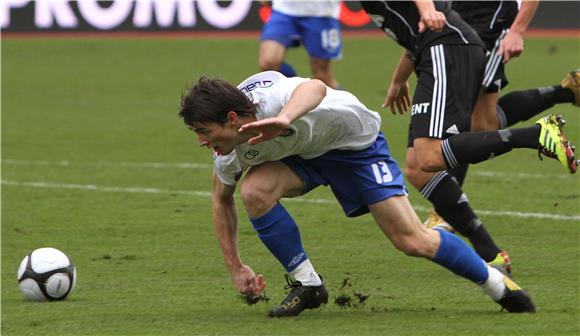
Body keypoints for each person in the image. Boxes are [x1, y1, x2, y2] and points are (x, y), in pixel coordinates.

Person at [179, 70, 537, 317]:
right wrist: (235, 267)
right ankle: (308, 285)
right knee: (254, 191)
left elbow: (315, 88)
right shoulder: (229, 155)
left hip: (355, 147)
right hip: (303, 156)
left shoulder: (272, 102)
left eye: (203, 130)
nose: (200, 141)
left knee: (412, 241)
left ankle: (498, 285)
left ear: (231, 118)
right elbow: (221, 200)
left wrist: (285, 119)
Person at [360, 0, 577, 275]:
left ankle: (536, 134)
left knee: (435, 151)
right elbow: (414, 32)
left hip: (450, 44)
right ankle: (491, 253)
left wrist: (428, 10)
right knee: (418, 167)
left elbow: (426, 16)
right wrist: (399, 79)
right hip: (440, 45)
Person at [259, 0, 342, 89]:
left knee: (322, 75)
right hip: (284, 10)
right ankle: (298, 91)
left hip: (322, 13)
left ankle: (346, 102)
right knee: (268, 63)